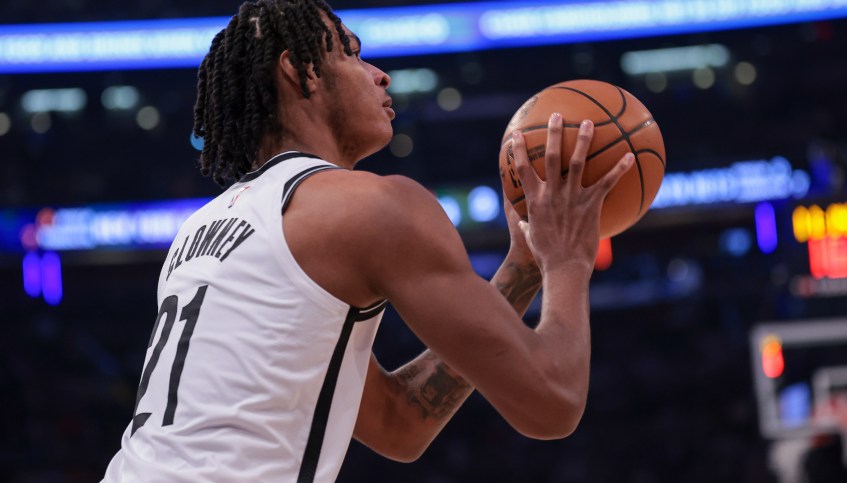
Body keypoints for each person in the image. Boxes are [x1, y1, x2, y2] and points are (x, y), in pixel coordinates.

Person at [102, 0, 634, 481]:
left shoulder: (200, 230)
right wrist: (566, 260)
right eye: (352, 55)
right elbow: (552, 400)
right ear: (299, 70)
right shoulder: (373, 206)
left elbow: (397, 424)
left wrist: (525, 267)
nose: (379, 75)